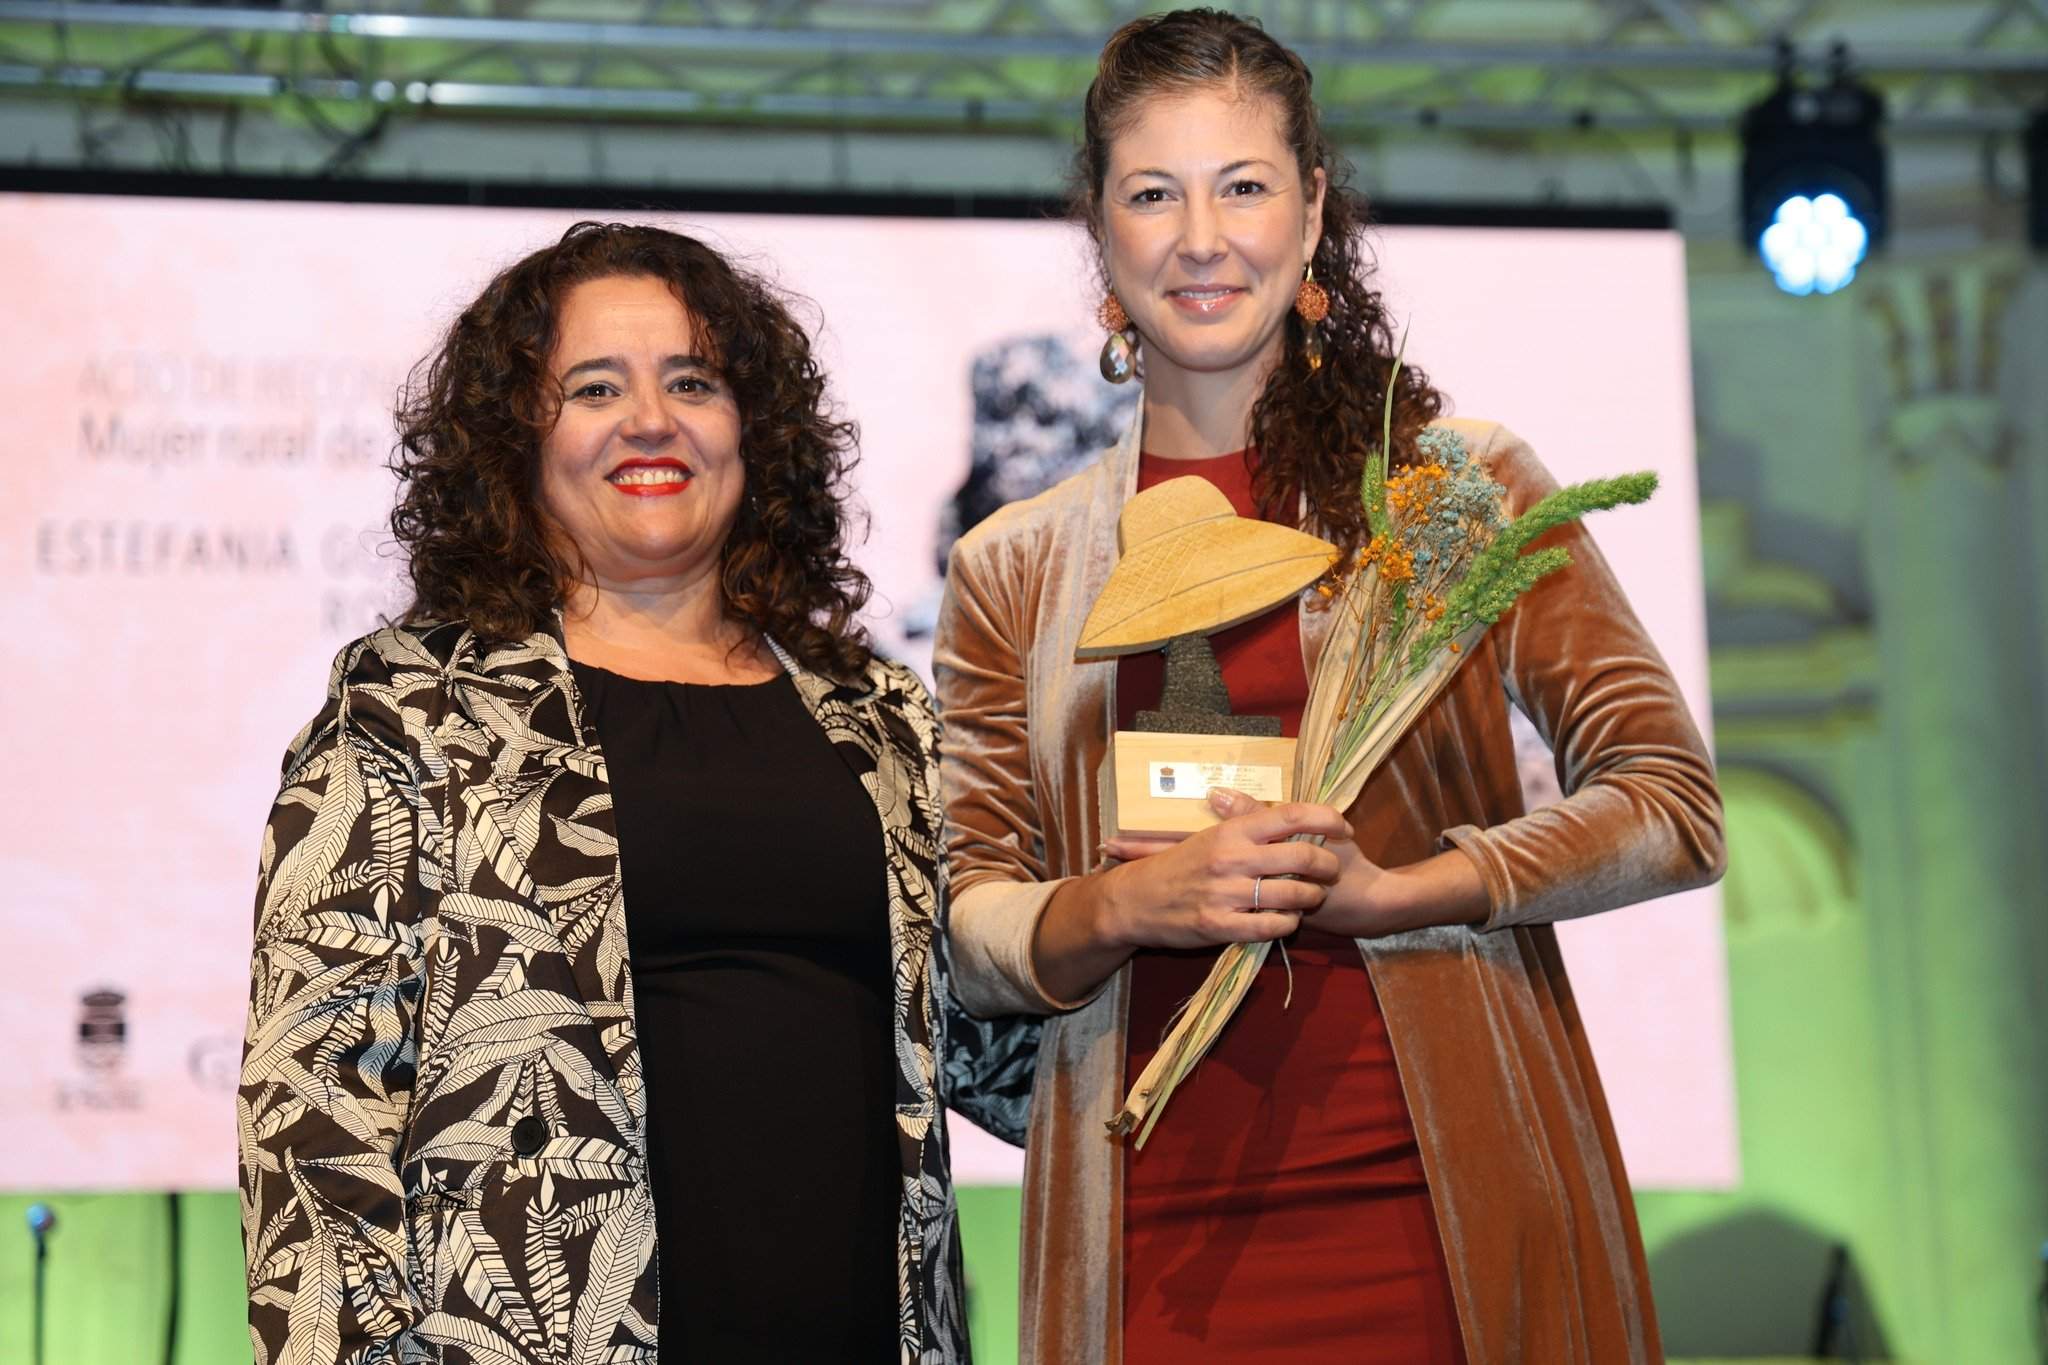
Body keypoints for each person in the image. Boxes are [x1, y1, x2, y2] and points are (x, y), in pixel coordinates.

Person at [934, 10, 1727, 1364]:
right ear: (1101, 234)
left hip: (1443, 1207)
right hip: (1148, 1230)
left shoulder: (1448, 493)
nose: (1201, 236)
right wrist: (1123, 903)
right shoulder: (1012, 565)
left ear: (1311, 216)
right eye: (1152, 194)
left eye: (1243, 185)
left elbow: (1671, 801)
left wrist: (1407, 890)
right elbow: (965, 923)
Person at [238, 221, 973, 1362]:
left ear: (754, 432)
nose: (651, 420)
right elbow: (311, 1106)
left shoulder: (877, 713)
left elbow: (982, 1045)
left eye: (693, 381)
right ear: (515, 443)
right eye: (594, 387)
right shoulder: (407, 707)